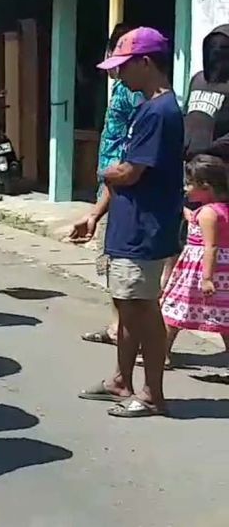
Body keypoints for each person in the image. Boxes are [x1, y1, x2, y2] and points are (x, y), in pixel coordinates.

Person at [72, 27, 183, 418]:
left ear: (146, 63)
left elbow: (130, 171)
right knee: (124, 302)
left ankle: (152, 393)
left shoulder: (161, 112)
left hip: (145, 227)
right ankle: (121, 378)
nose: (118, 75)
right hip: (127, 222)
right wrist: (96, 213)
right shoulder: (144, 106)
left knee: (142, 308)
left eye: (124, 67)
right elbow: (121, 174)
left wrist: (106, 173)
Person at [81, 23, 145, 347]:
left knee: (123, 271)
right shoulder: (122, 88)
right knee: (111, 267)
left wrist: (101, 204)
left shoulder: (138, 95)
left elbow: (130, 155)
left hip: (121, 189)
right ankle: (116, 328)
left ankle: (138, 341)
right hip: (111, 184)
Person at [161, 154, 229, 364]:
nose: (186, 189)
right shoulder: (217, 210)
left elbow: (211, 245)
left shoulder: (208, 213)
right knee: (223, 317)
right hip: (221, 271)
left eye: (190, 184)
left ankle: (160, 354)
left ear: (205, 186)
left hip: (200, 271)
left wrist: (207, 278)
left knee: (172, 309)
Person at [185, 24, 229, 158]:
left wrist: (208, 149)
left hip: (219, 165)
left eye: (224, 48)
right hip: (189, 162)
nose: (216, 51)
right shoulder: (198, 79)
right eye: (212, 47)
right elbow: (187, 113)